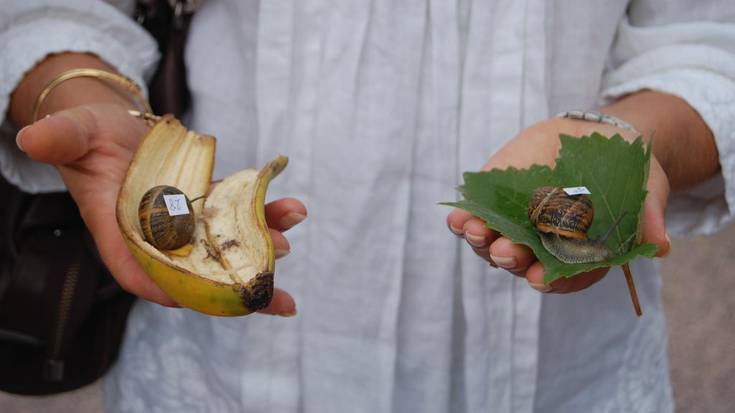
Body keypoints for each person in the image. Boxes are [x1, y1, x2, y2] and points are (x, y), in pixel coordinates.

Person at [2, 1, 734, 412]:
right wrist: (79, 89)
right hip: (220, 375)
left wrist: (632, 149)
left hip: (562, 379)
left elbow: (708, 34)